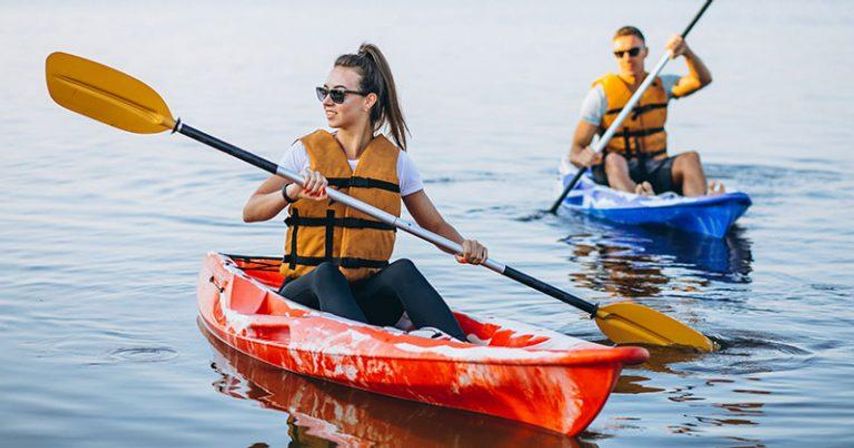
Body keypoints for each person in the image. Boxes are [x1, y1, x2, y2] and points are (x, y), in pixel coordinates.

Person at [242, 43, 487, 342]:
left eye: (338, 94)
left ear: (368, 101)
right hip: (305, 297)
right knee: (326, 273)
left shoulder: (397, 162)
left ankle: (462, 350)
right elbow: (250, 211)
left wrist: (465, 247)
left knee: (402, 271)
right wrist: (292, 191)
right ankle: (366, 347)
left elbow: (434, 226)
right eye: (324, 92)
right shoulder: (303, 153)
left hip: (364, 300)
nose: (327, 102)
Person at [568, 26, 723, 197]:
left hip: (656, 166)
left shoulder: (662, 85)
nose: (627, 58)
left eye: (634, 51)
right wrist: (584, 158)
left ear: (645, 52)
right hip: (618, 170)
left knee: (690, 159)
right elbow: (575, 152)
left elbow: (702, 80)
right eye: (620, 54)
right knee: (613, 159)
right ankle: (638, 200)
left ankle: (698, 204)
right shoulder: (600, 95)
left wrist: (686, 52)